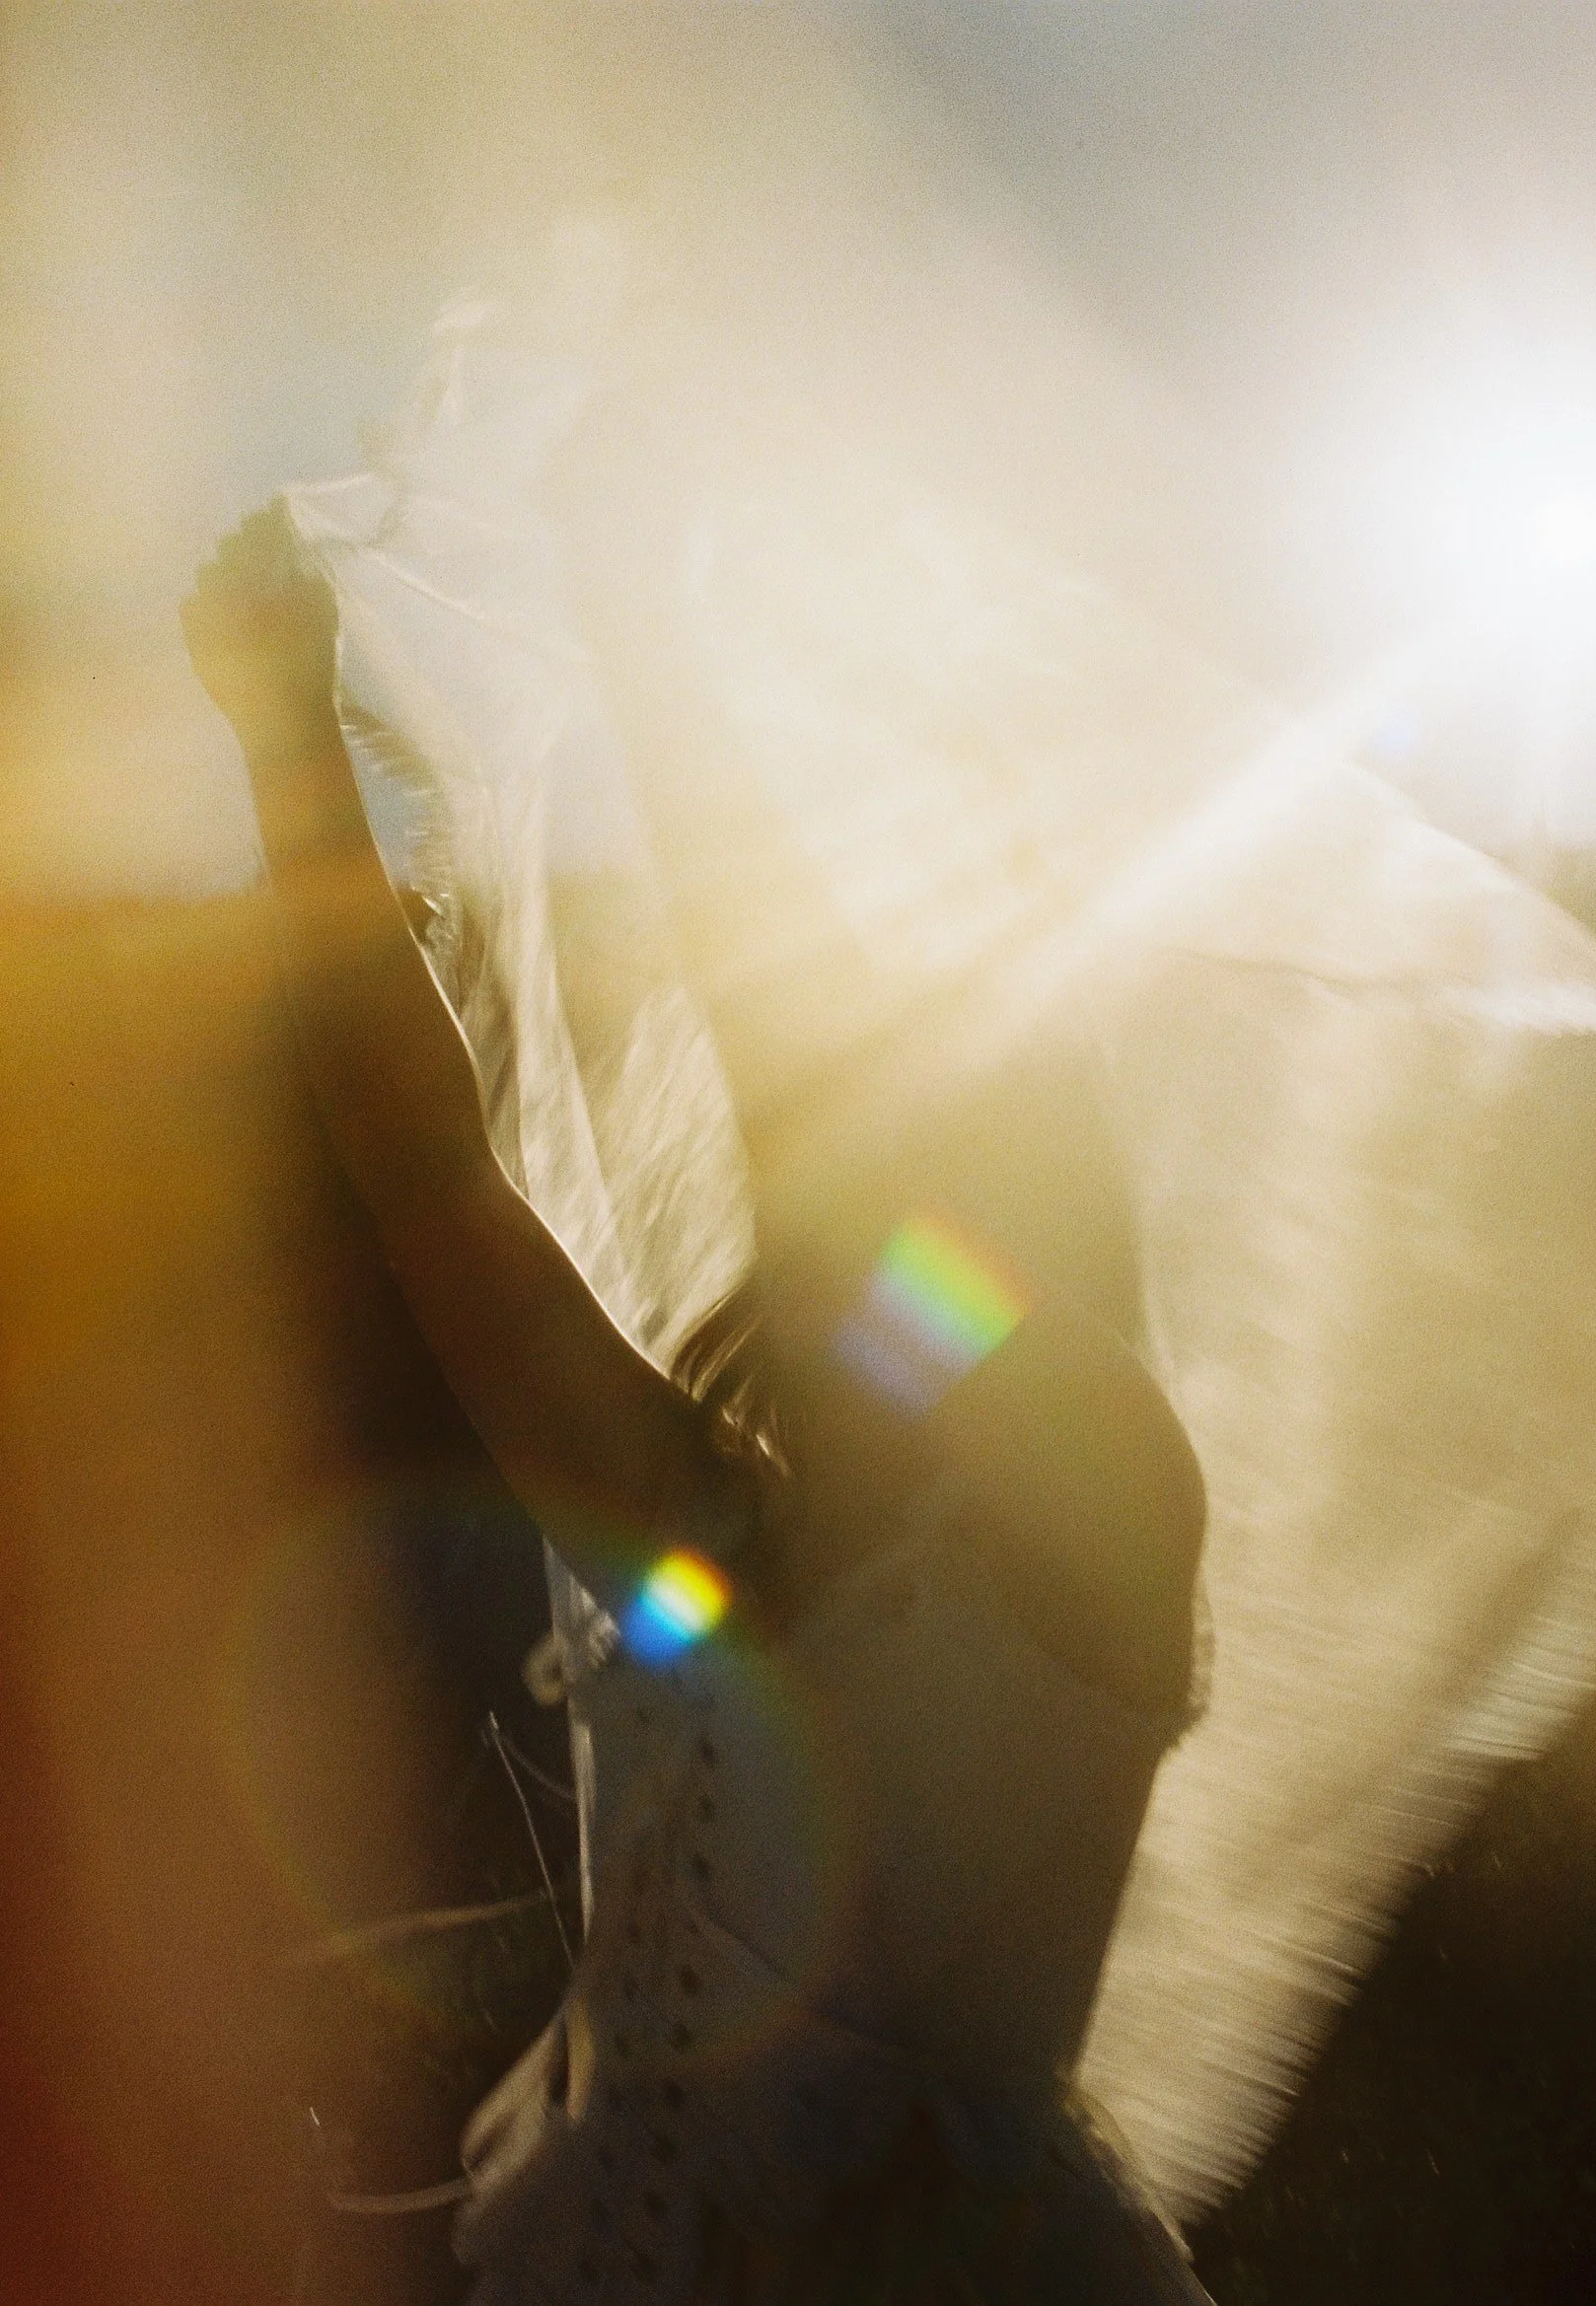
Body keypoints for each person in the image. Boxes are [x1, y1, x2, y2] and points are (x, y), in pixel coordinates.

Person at [183, 505, 1216, 2302]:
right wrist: (287, 730)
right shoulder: (703, 1539)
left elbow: (870, 1196)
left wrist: (664, 680)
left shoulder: (1102, 1505)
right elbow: (431, 1171)